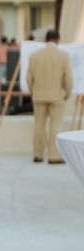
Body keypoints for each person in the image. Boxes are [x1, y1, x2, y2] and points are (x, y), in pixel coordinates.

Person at [27, 30, 73, 164]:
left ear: (46, 40)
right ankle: (54, 156)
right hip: (57, 96)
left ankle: (38, 155)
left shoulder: (34, 56)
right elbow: (68, 79)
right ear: (58, 40)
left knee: (39, 126)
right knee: (55, 127)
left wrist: (32, 91)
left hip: (38, 95)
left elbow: (29, 78)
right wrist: (67, 93)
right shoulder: (63, 55)